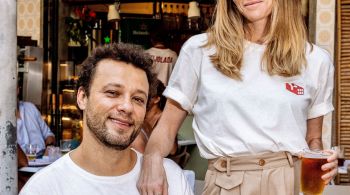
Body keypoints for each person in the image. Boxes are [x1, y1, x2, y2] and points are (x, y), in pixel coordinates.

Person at [137, 1, 338, 195]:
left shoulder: (316, 60)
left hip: (290, 183)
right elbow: (166, 128)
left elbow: (313, 139)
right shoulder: (199, 50)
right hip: (226, 183)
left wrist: (324, 161)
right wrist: (151, 159)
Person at [20, 43, 193, 195]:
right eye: (112, 93)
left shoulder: (169, 179)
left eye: (138, 99)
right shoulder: (44, 188)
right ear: (82, 97)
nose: (127, 106)